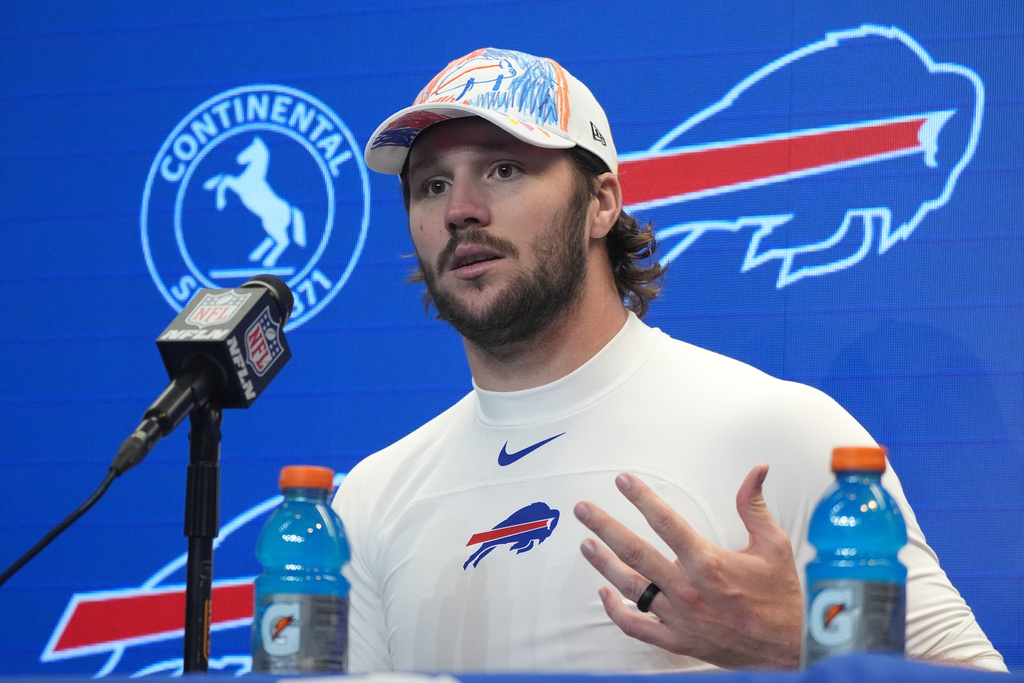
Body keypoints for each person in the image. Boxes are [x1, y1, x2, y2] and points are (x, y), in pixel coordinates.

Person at [331, 47, 1006, 673]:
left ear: (600, 204)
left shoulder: (778, 430)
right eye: (432, 185)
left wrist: (795, 647)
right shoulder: (371, 496)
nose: (460, 210)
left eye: (503, 170)